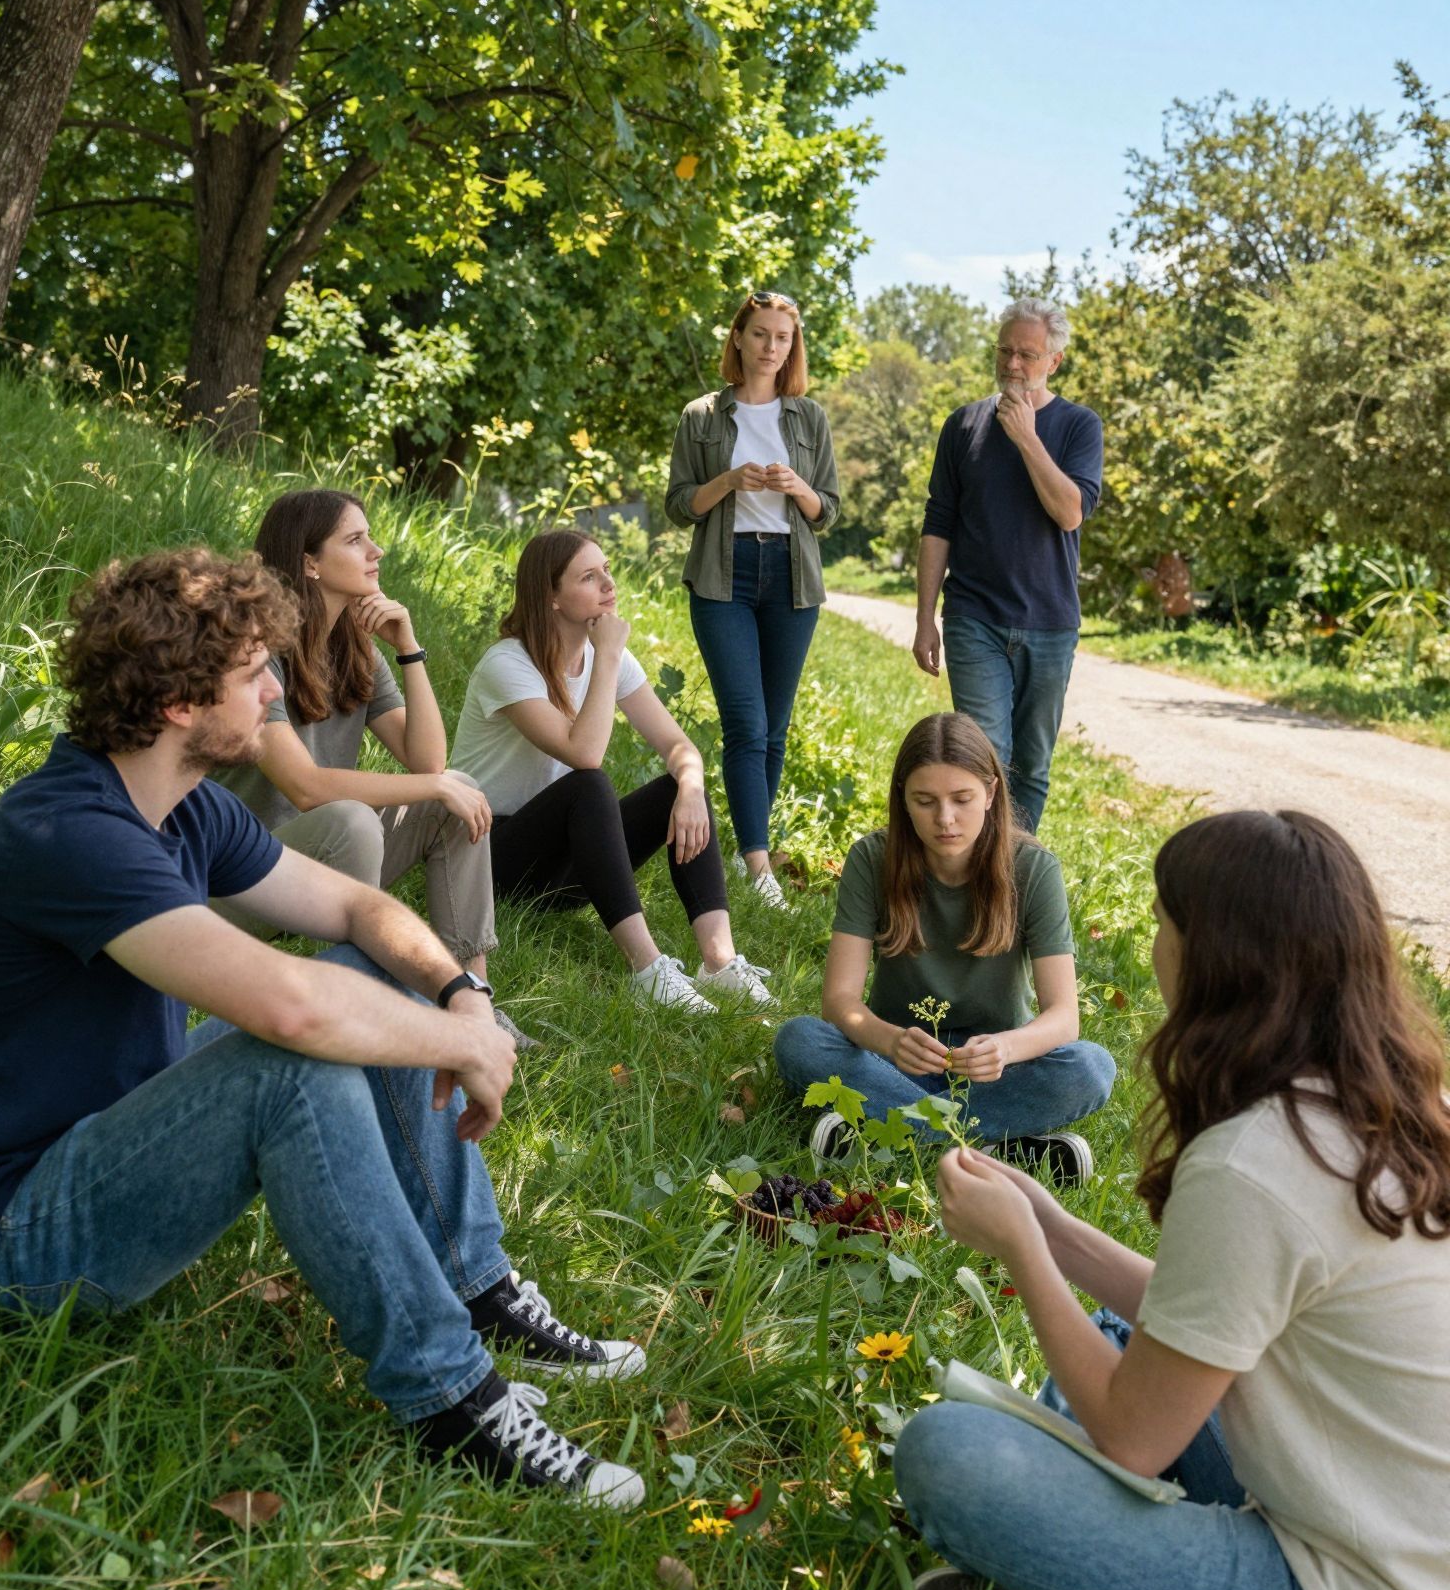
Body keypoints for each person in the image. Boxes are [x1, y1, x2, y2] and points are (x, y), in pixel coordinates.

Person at [0, 548, 648, 1508]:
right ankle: (453, 1402)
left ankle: (480, 1293)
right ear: (180, 704)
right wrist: (461, 1043)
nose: (274, 691)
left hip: (99, 1138)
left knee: (373, 970)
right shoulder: (70, 834)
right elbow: (287, 1009)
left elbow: (354, 911)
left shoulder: (184, 809)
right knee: (295, 1062)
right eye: (254, 671)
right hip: (2, 1238)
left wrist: (463, 992)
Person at [895, 810, 1450, 1590]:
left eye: (1165, 920)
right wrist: (1060, 1230)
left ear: (1214, 958)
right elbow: (1221, 1319)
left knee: (948, 1454)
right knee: (1120, 1341)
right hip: (1399, 1539)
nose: (1155, 942)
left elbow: (1135, 1436)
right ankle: (1057, 1573)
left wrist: (1023, 1254)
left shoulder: (1256, 1161)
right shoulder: (1397, 1100)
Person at [773, 712, 1114, 1183]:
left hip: (995, 1072)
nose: (945, 819)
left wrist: (1005, 1047)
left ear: (991, 794)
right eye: (925, 801)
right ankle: (999, 1147)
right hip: (893, 1062)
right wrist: (889, 1039)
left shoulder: (1034, 869)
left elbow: (1064, 1017)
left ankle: (888, 1132)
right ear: (903, 800)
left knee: (1091, 1067)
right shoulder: (873, 858)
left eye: (962, 799)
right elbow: (839, 1002)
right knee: (800, 1039)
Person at [449, 528, 772, 1014]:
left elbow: (678, 745)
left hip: (564, 862)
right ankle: (648, 969)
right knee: (590, 785)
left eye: (606, 570)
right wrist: (610, 657)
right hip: (488, 858)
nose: (608, 584)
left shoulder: (605, 657)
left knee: (681, 785)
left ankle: (719, 962)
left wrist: (688, 786)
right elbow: (585, 755)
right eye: (588, 576)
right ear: (551, 597)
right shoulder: (508, 665)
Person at [216, 489, 498, 989]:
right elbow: (305, 788)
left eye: (370, 536)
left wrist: (409, 649)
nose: (376, 550)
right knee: (353, 817)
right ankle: (365, 995)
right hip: (237, 879)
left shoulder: (355, 651)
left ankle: (473, 990)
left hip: (321, 866)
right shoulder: (253, 654)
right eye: (355, 539)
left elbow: (428, 762)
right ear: (310, 564)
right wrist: (433, 786)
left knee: (457, 789)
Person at [665, 289, 841, 910]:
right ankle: (760, 867)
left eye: (783, 338)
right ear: (738, 338)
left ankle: (750, 856)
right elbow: (679, 504)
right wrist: (731, 481)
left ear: (793, 347)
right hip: (724, 576)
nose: (771, 347)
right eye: (761, 334)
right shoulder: (702, 416)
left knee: (775, 729)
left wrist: (798, 488)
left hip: (791, 579)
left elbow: (829, 513)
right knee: (746, 722)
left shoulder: (808, 417)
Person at [911, 295, 1103, 832]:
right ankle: (975, 879)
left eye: (1027, 354)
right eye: (1005, 351)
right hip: (975, 617)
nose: (1013, 364)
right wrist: (926, 618)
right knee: (983, 757)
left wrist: (1025, 437)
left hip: (1050, 622)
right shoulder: (962, 425)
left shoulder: (1079, 427)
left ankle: (1014, 881)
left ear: (1054, 362)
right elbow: (938, 525)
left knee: (1033, 767)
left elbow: (1070, 513)